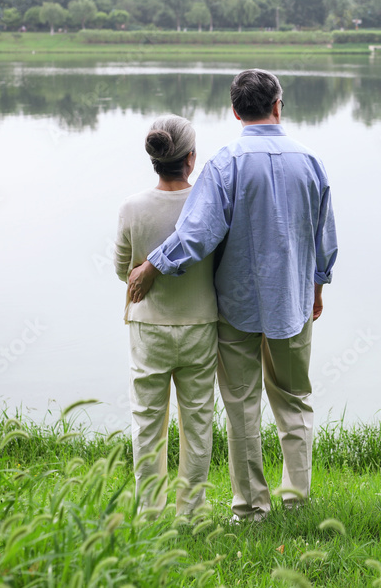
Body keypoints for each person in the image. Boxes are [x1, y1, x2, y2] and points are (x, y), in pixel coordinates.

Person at [127, 69, 338, 522]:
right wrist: (316, 288)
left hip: (236, 306)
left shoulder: (224, 164)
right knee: (295, 399)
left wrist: (152, 265)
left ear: (235, 111)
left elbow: (198, 233)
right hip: (294, 302)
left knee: (241, 406)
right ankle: (297, 499)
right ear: (278, 105)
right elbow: (325, 240)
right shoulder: (311, 161)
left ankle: (250, 507)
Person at [114, 115, 219, 519]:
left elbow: (122, 269)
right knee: (198, 424)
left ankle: (149, 512)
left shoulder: (132, 207)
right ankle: (192, 511)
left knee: (147, 423)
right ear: (190, 159)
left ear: (156, 160)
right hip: (200, 325)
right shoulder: (208, 207)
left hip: (149, 327)